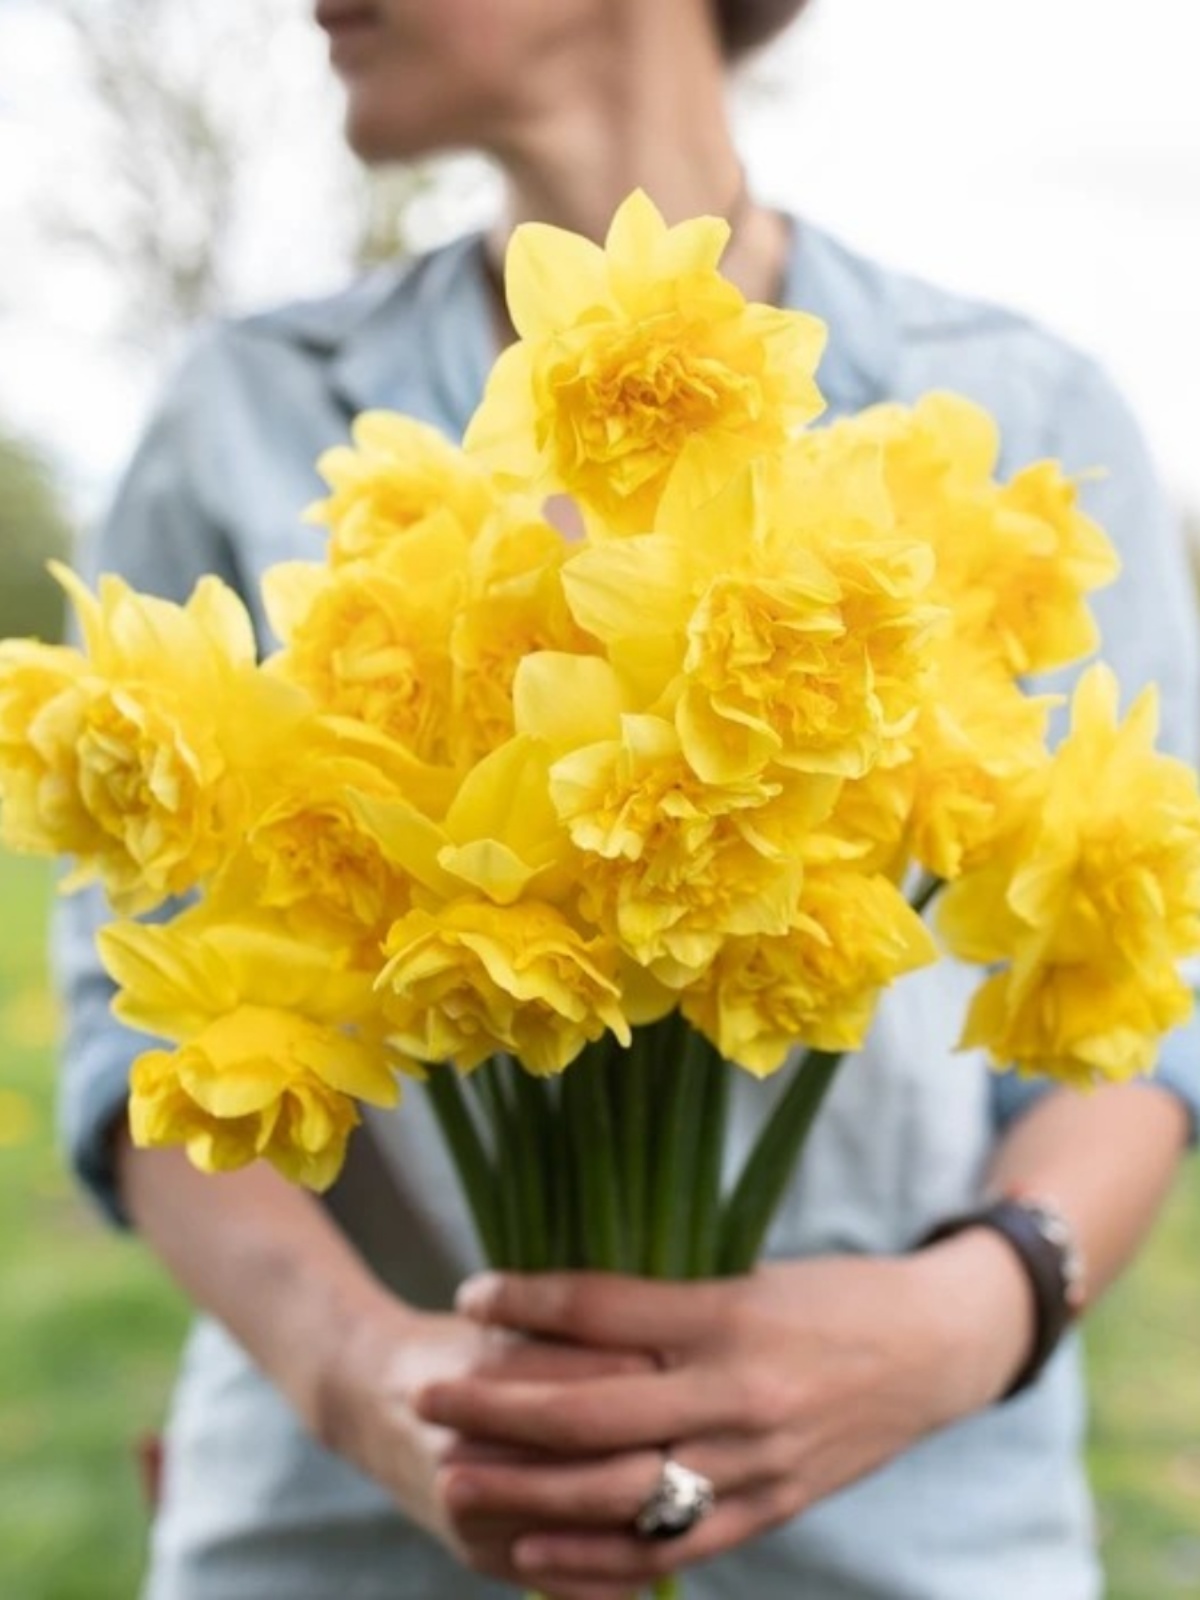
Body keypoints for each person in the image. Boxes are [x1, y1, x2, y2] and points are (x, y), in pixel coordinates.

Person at [54, 2, 1200, 1597]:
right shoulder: (239, 411)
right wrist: (365, 1385)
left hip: (912, 1533)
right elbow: (138, 1034)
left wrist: (968, 1319)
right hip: (345, 1526)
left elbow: (1149, 1018)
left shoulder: (1024, 409)